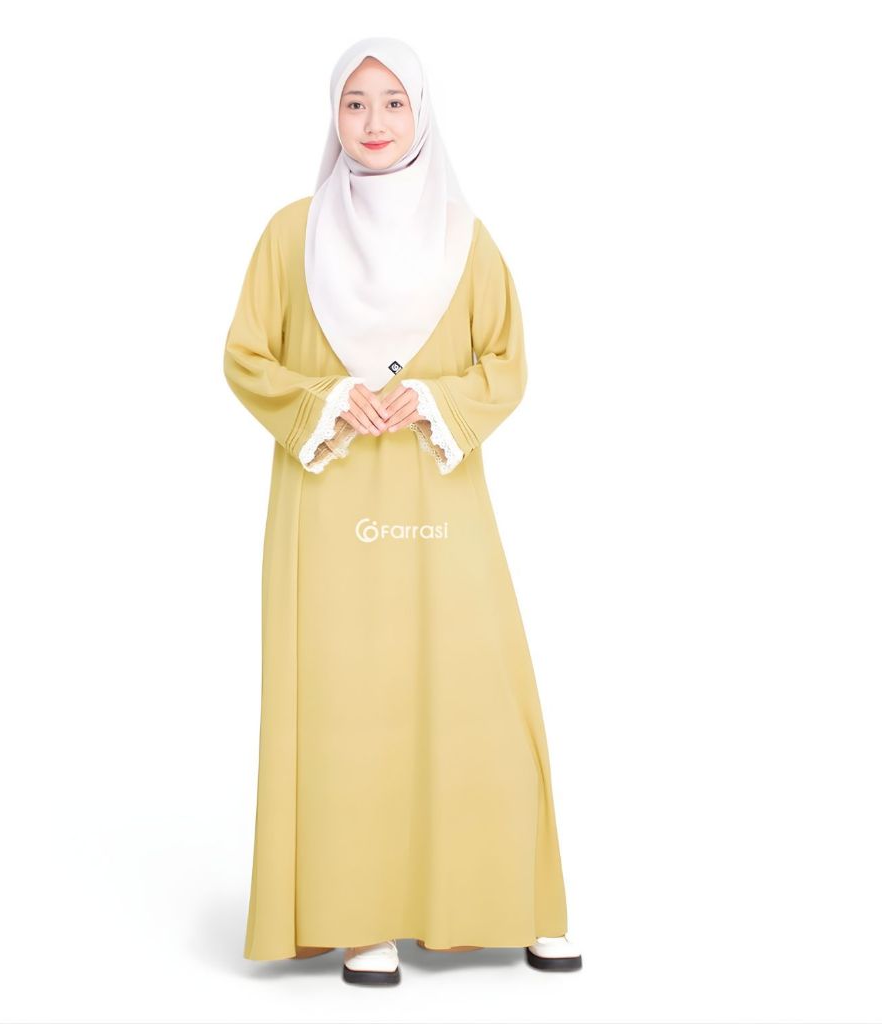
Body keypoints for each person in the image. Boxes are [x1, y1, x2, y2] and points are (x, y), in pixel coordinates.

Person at [223, 36, 582, 986]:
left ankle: (511, 900)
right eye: (354, 103)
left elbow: (505, 361)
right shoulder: (292, 234)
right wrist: (330, 397)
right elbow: (246, 357)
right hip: (329, 498)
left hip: (438, 493)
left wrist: (429, 399)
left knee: (476, 682)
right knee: (346, 698)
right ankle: (362, 916)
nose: (373, 122)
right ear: (333, 117)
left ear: (421, 113)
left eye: (392, 102)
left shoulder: (465, 238)